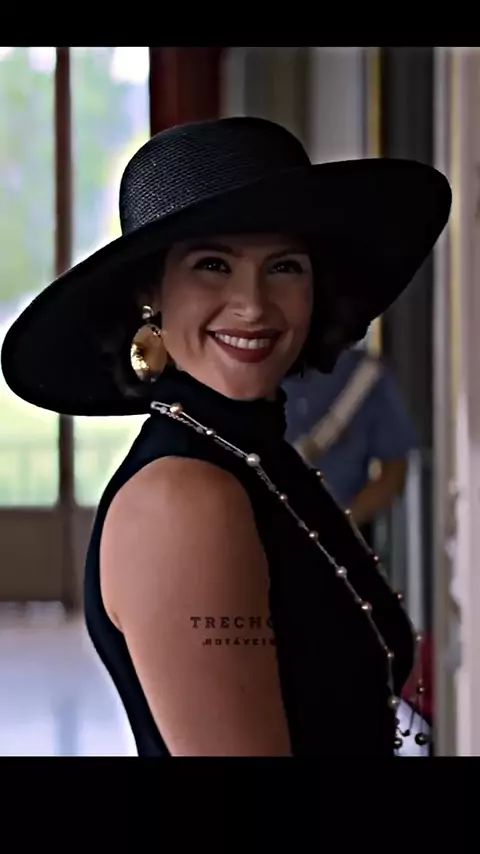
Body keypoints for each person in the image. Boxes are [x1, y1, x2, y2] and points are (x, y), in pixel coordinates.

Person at [1, 117, 451, 756]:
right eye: (212, 265)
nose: (253, 305)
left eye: (284, 266)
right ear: (152, 294)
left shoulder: (253, 456)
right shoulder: (185, 500)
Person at [283, 346, 418, 544]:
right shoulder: (250, 372)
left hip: (338, 545)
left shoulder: (364, 376)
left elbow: (394, 471)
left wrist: (342, 524)